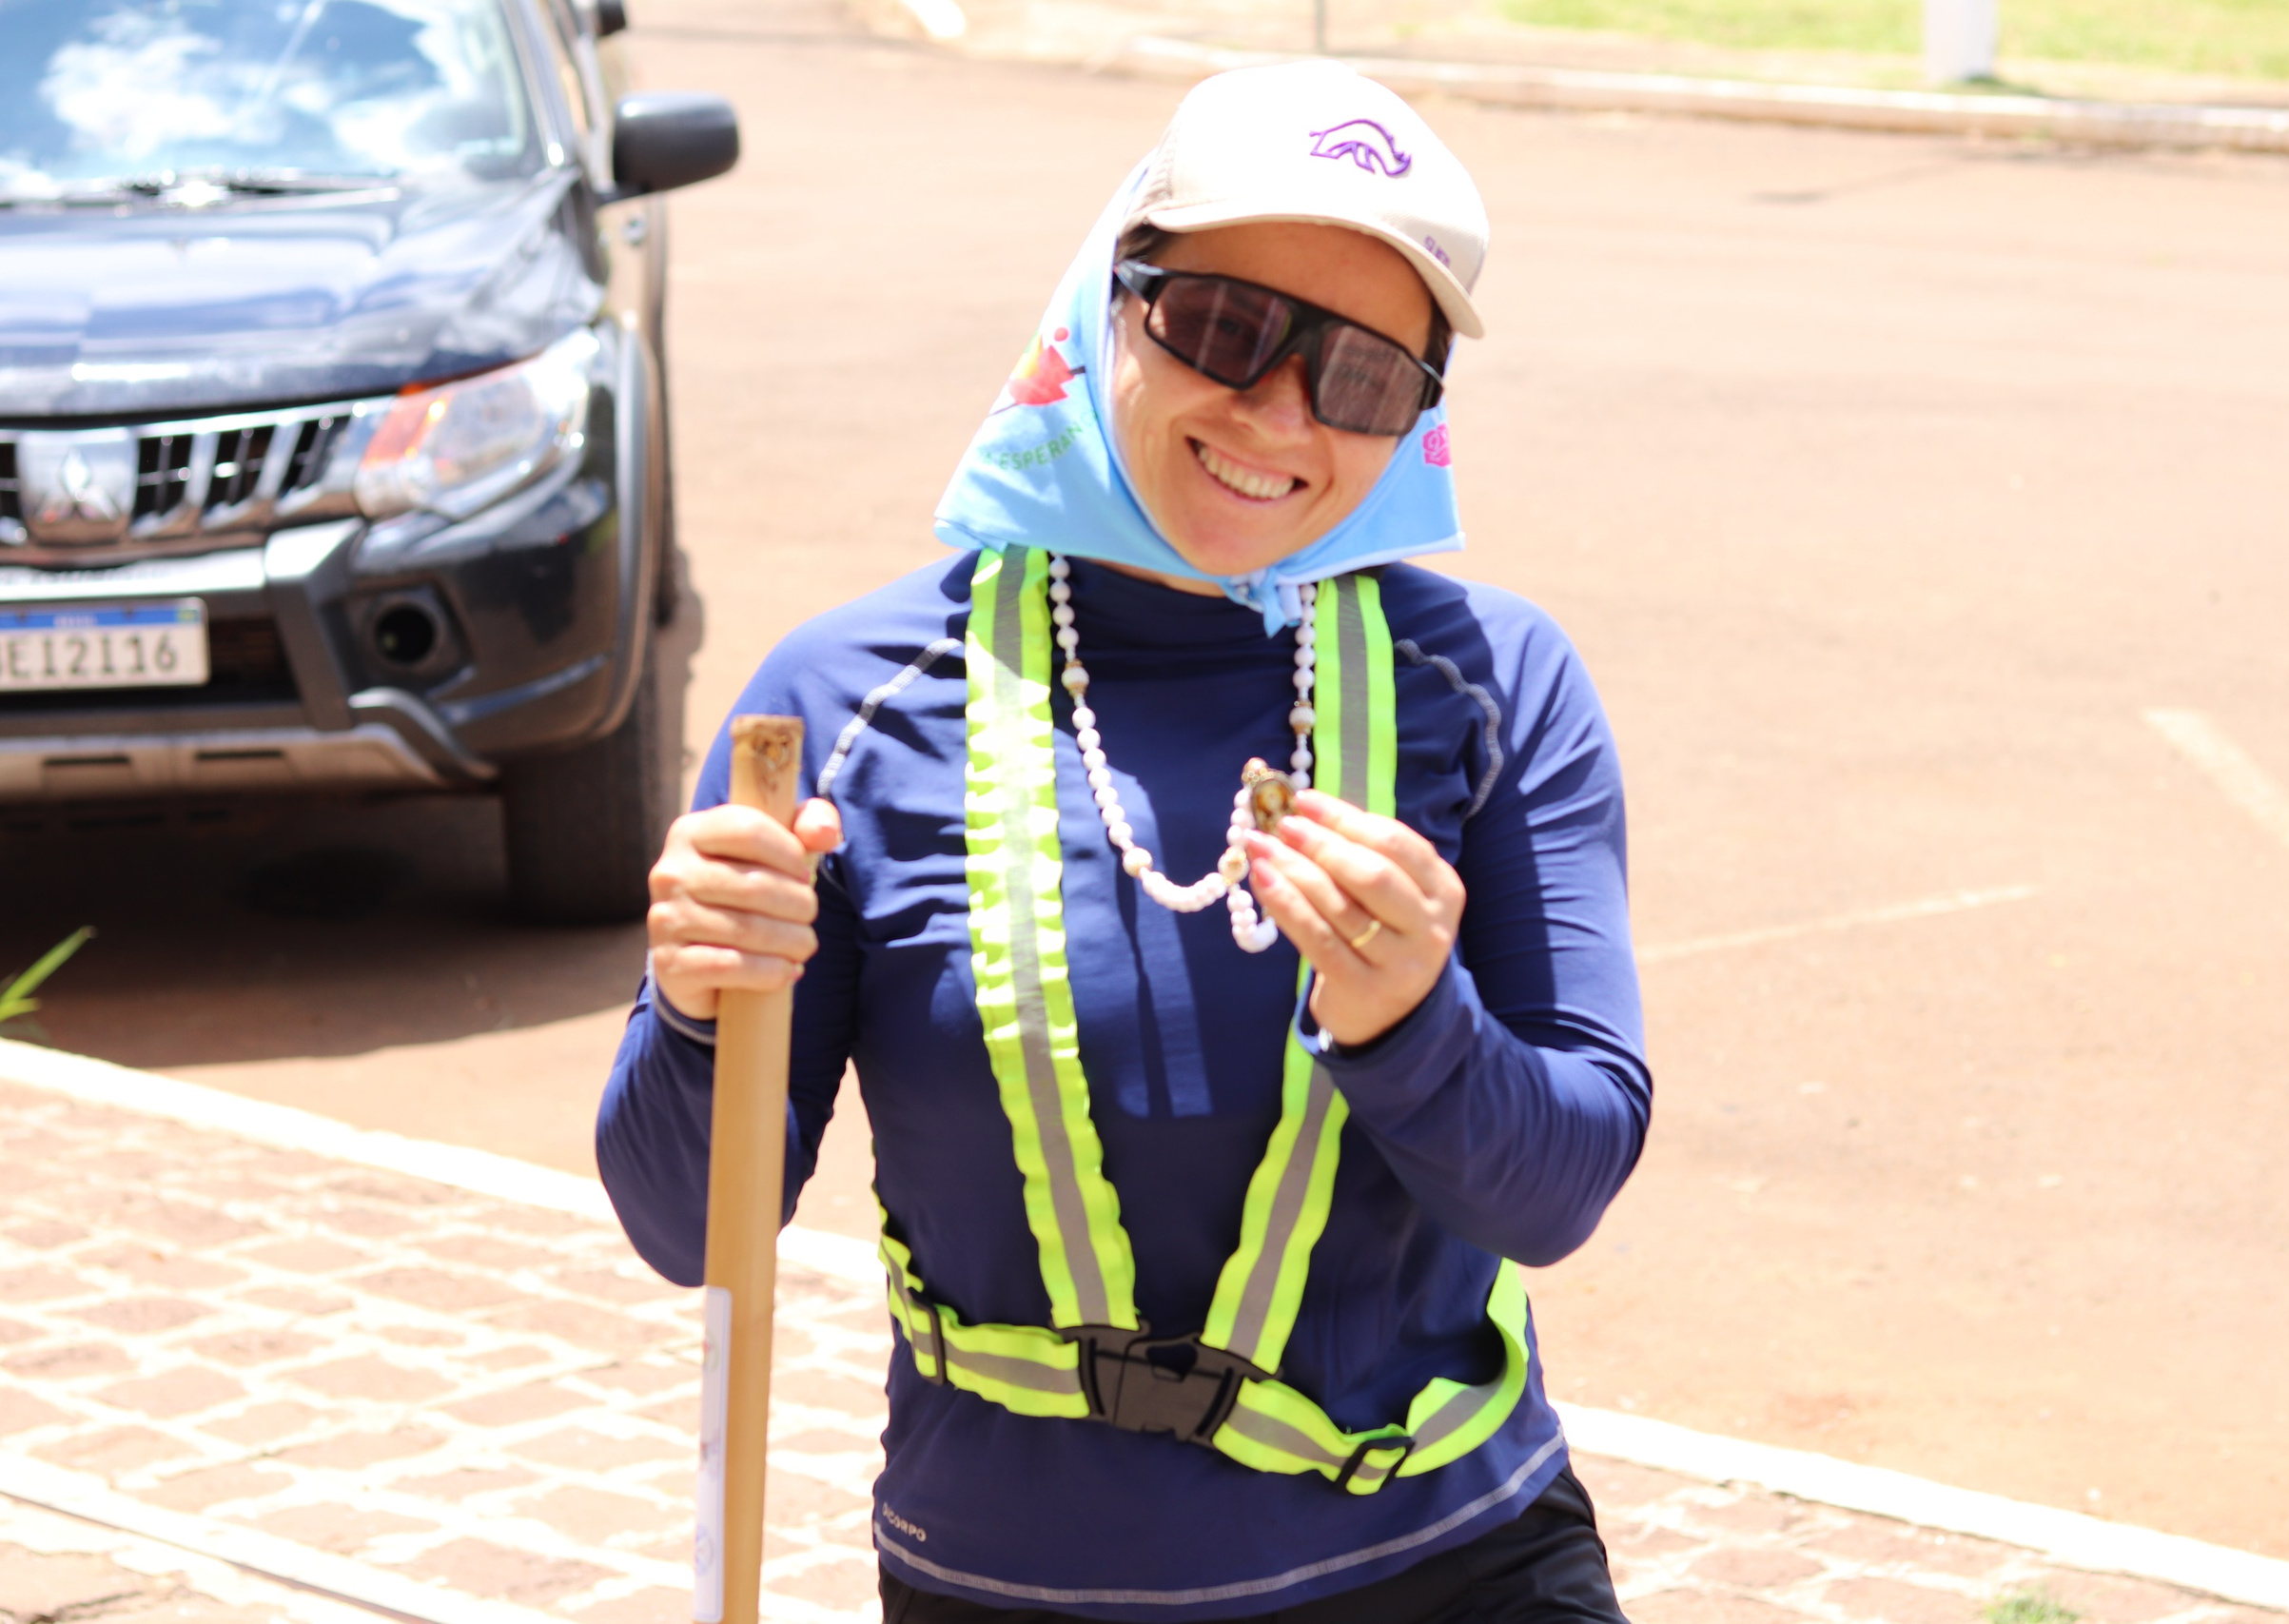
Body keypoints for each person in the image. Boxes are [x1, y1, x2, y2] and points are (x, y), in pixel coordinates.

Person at [597, 60, 1652, 1623]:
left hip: (1450, 1564)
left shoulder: (1496, 684)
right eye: (1224, 325)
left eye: (1364, 377)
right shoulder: (848, 703)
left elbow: (1557, 1190)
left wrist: (1417, 1024)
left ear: (1418, 419)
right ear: (1108, 302)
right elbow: (691, 1229)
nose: (1280, 411)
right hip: (1007, 1583)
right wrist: (696, 1003)